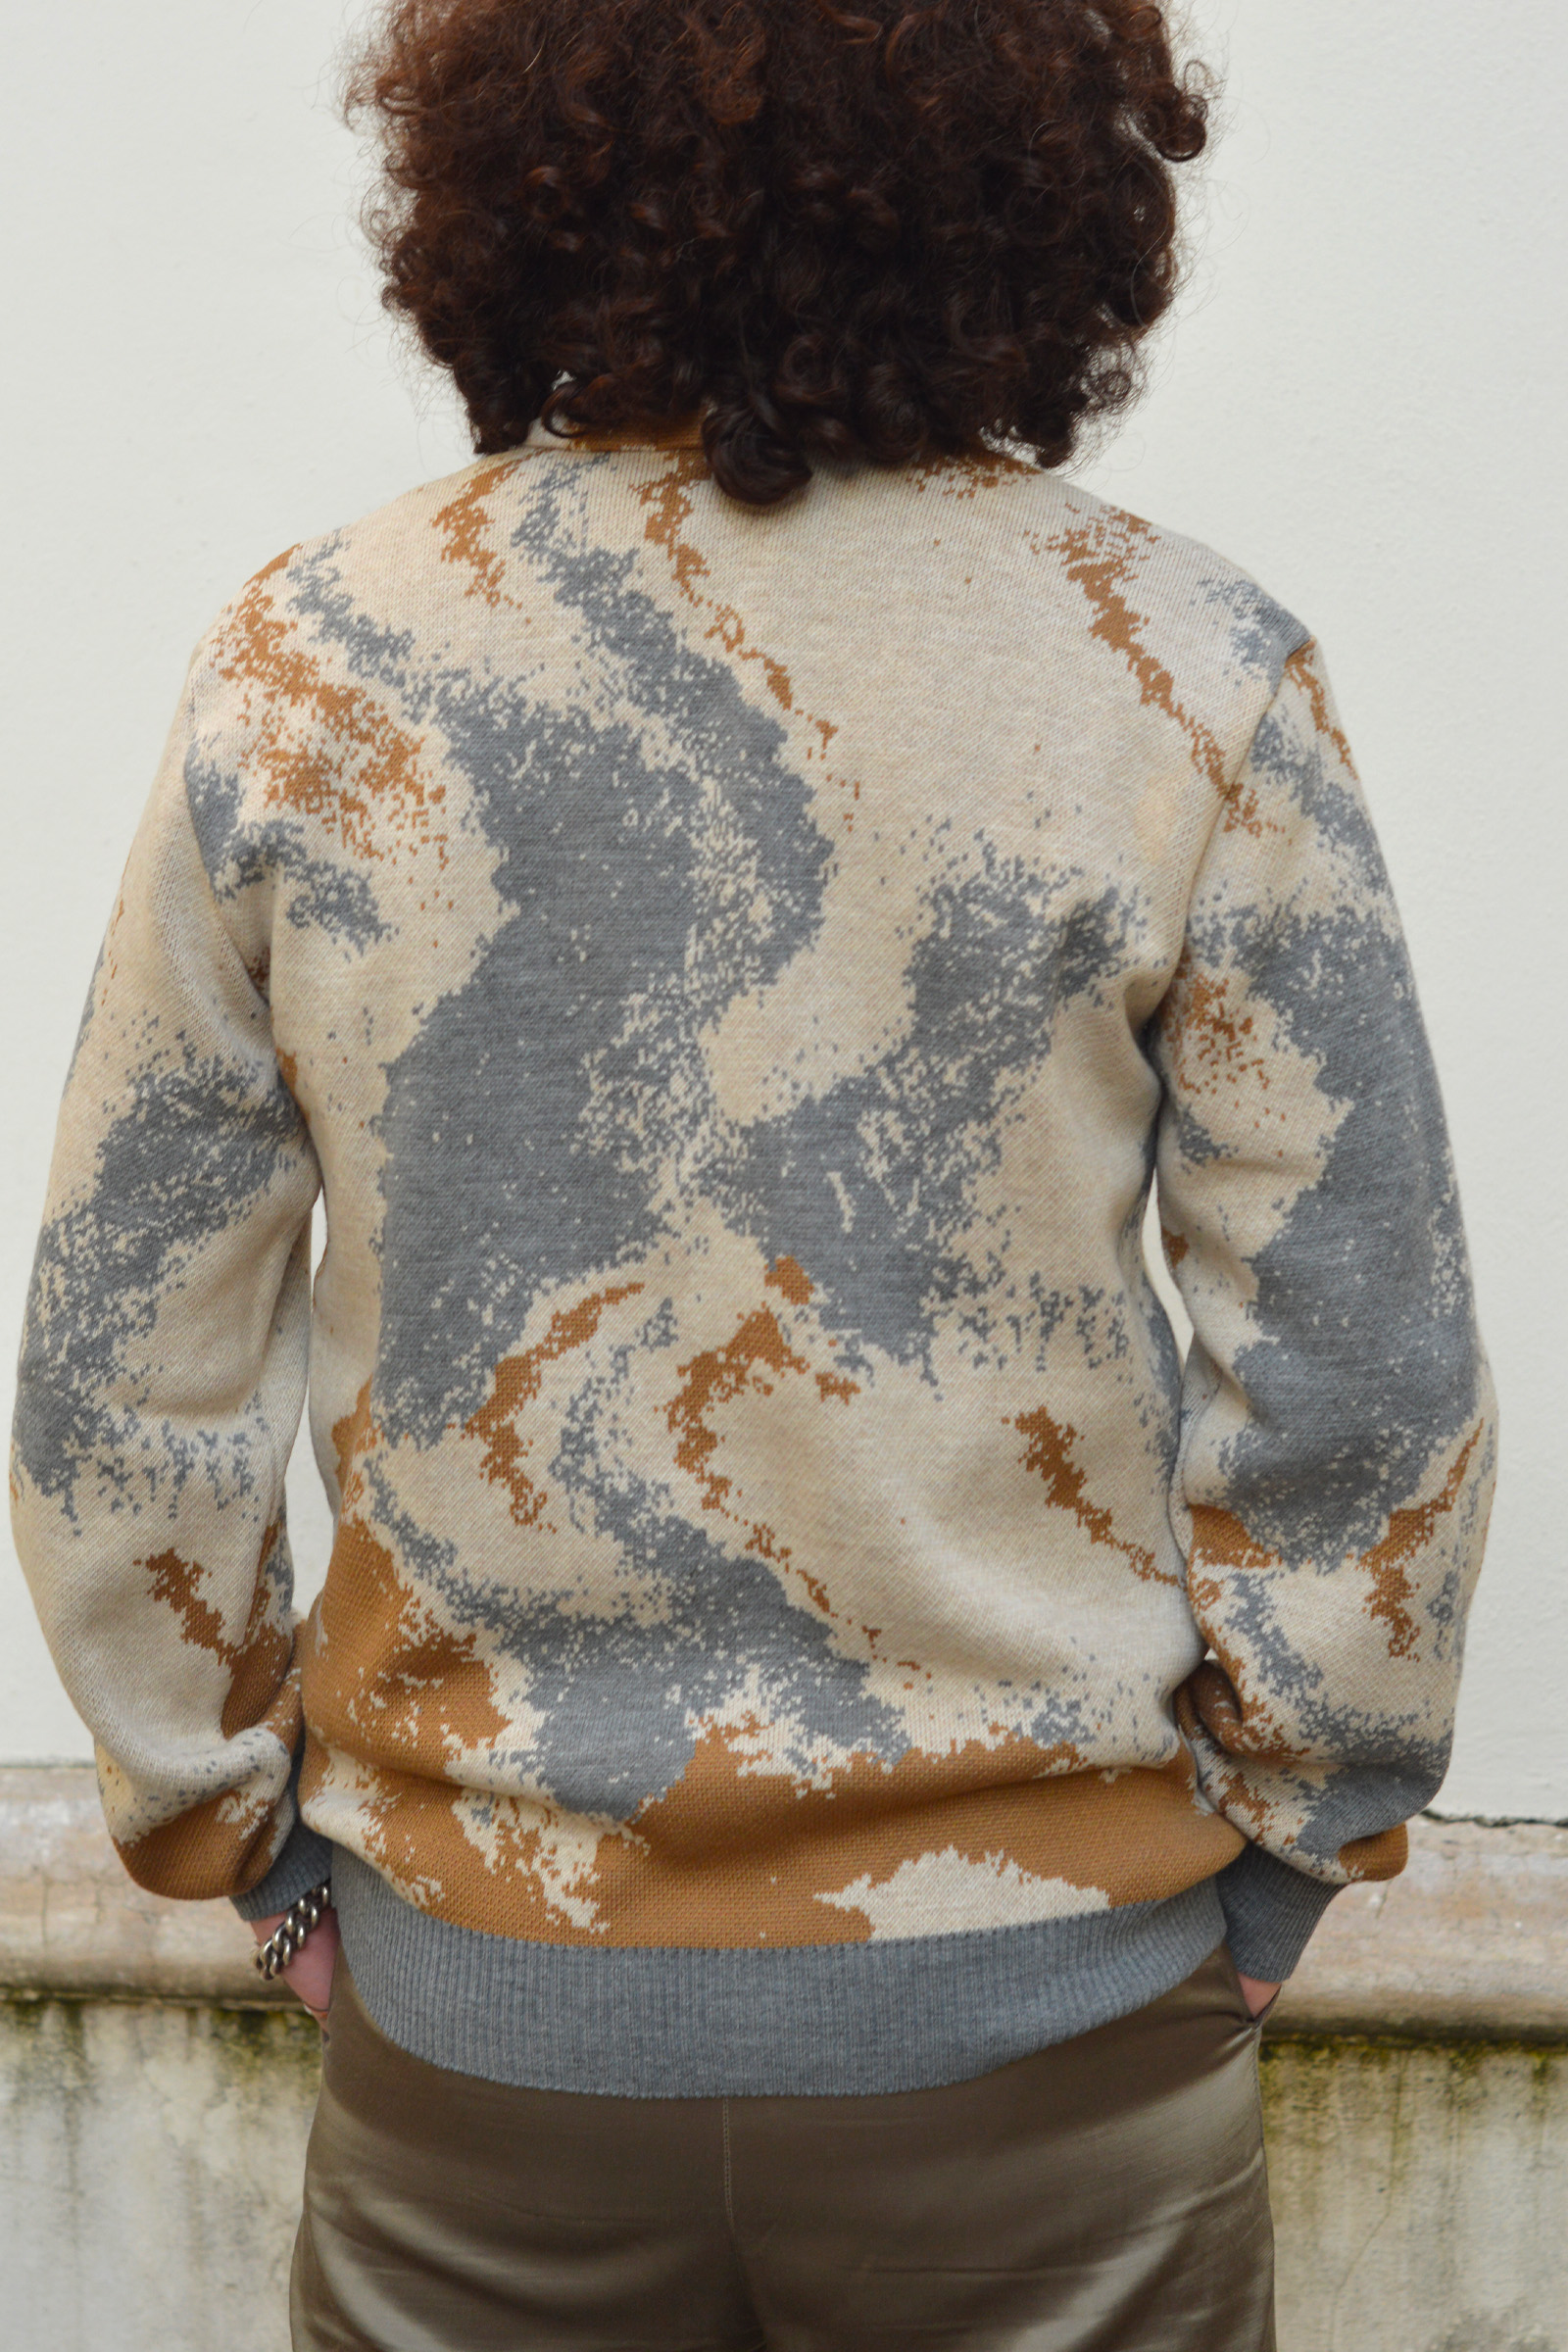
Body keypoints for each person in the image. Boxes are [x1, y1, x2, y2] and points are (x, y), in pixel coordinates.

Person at [10, 0, 1495, 2345]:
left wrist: (234, 1838)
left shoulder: (309, 666)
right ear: (1044, 181)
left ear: (504, 173)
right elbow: (1355, 1351)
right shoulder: (1182, 669)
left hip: (477, 2022)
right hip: (1054, 2029)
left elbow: (125, 1358)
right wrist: (1300, 1835)